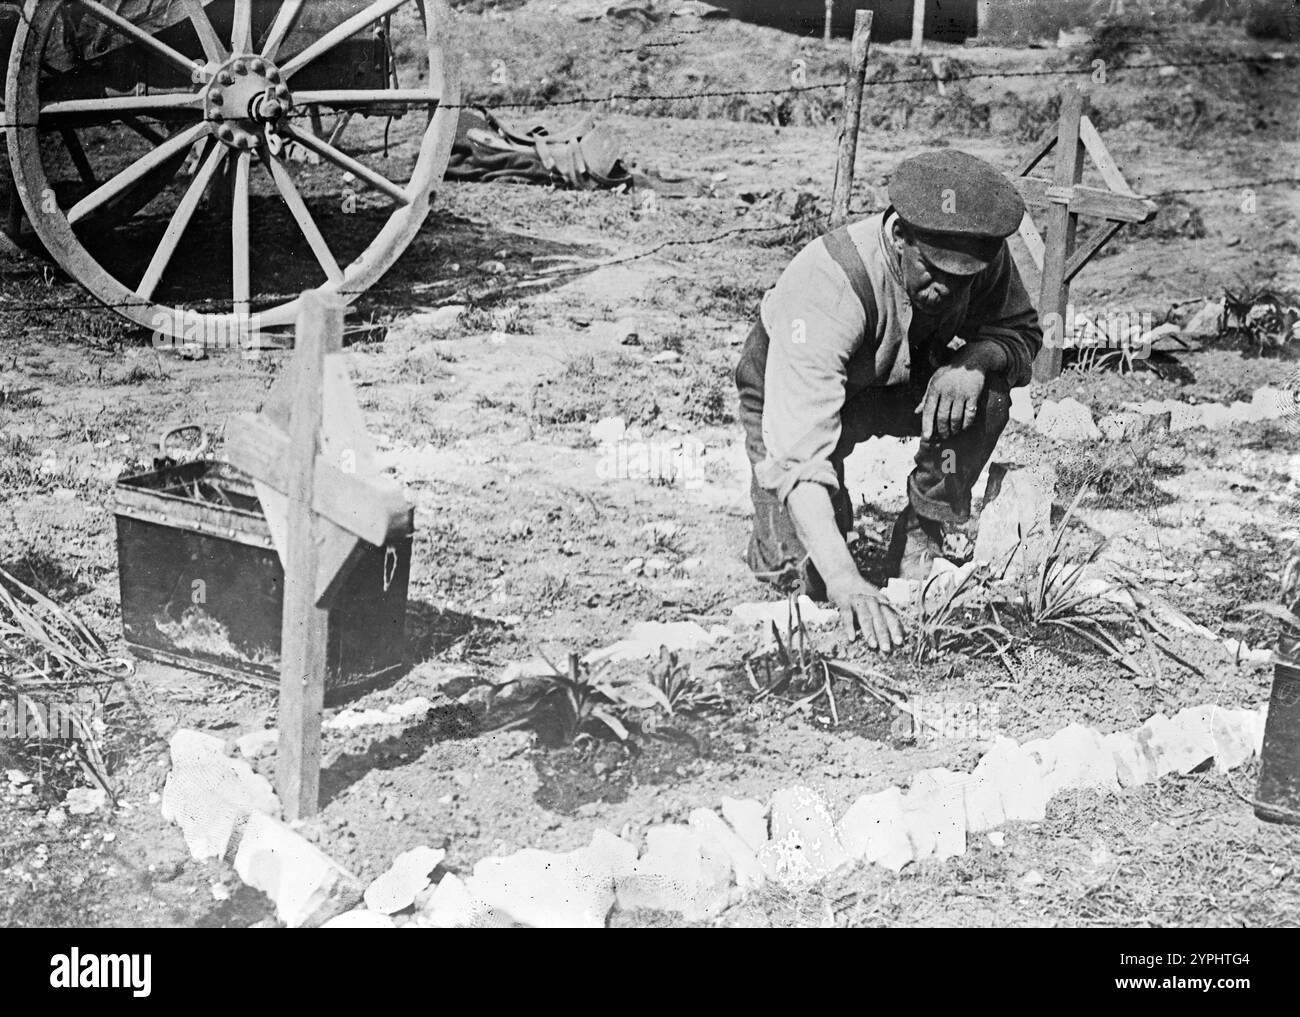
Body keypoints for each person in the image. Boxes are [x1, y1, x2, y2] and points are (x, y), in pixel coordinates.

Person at [734, 150, 1042, 653]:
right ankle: (823, 529)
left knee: (985, 398)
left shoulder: (975, 259)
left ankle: (925, 521)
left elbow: (1022, 333)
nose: (948, 288)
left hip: (900, 383)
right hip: (792, 393)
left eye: (964, 277)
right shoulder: (825, 287)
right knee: (797, 582)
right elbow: (799, 454)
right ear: (900, 235)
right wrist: (846, 580)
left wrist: (977, 361)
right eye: (936, 269)